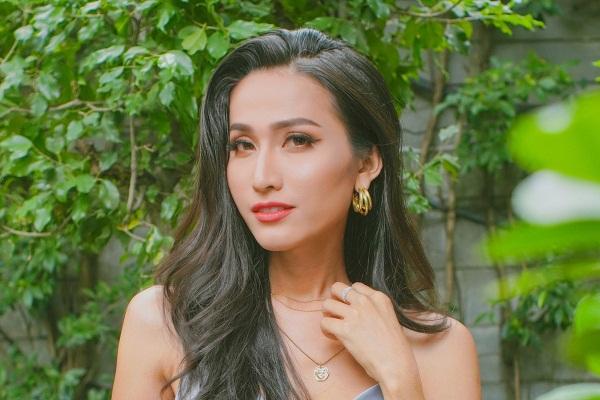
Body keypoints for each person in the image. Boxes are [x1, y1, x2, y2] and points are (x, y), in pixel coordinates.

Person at [111, 28, 481, 400]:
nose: (262, 178)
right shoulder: (164, 324)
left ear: (366, 164)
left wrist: (399, 378)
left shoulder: (439, 350)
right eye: (243, 145)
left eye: (298, 140)